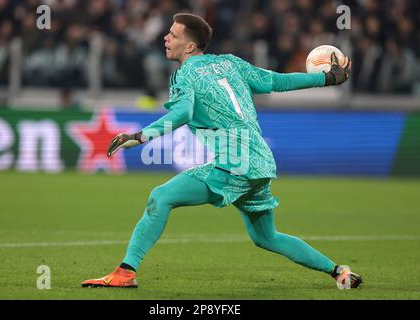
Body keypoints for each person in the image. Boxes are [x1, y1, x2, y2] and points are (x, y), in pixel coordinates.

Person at [82, 13, 362, 290]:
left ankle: (125, 272)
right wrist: (326, 79)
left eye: (173, 35)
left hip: (234, 162)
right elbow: (277, 81)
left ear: (190, 46)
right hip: (261, 161)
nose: (166, 38)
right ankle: (339, 271)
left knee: (160, 197)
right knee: (266, 237)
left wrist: (140, 136)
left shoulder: (185, 75)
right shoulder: (230, 63)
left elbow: (183, 112)